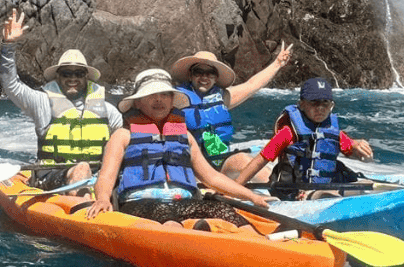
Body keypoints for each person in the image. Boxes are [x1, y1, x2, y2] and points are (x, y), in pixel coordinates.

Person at [86, 69, 269, 227]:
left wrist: (251, 196)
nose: (159, 100)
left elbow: (211, 177)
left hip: (183, 202)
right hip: (140, 204)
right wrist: (102, 198)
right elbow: (106, 177)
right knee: (164, 214)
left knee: (225, 212)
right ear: (138, 102)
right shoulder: (123, 136)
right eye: (151, 95)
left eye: (165, 94)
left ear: (172, 100)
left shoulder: (185, 136)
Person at [0, 9, 123, 193]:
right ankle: (85, 214)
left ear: (86, 77)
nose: (72, 78)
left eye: (78, 73)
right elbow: (11, 85)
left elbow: (121, 142)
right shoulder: (42, 103)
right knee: (82, 168)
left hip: (99, 176)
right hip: (52, 175)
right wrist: (8, 45)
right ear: (57, 77)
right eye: (66, 73)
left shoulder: (108, 110)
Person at [234, 77, 374, 199]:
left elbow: (358, 154)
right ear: (302, 104)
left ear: (331, 106)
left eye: (325, 103)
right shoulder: (288, 133)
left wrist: (358, 147)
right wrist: (235, 188)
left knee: (359, 184)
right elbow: (260, 161)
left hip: (324, 185)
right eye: (314, 103)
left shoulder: (333, 131)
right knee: (321, 194)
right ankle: (322, 195)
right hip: (293, 190)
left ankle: (329, 194)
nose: (320, 108)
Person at [170, 44, 293, 178]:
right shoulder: (176, 98)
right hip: (191, 166)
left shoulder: (223, 97)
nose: (204, 77)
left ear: (216, 77)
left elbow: (252, 85)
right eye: (198, 72)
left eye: (210, 73)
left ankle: (281, 191)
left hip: (219, 162)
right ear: (190, 76)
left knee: (243, 161)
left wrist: (277, 64)